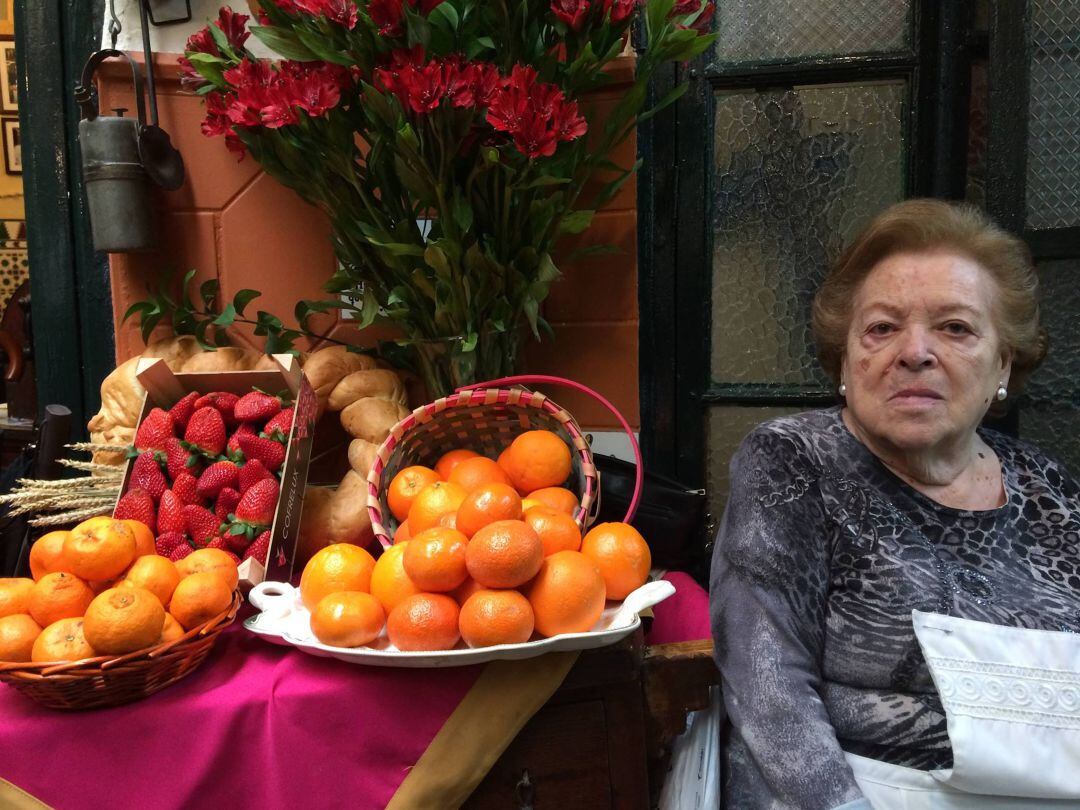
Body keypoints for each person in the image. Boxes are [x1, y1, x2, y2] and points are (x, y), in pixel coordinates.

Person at [711, 199, 1080, 809]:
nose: (915, 352)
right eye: (882, 328)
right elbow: (769, 694)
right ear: (847, 361)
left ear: (1002, 365)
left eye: (955, 328)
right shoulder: (795, 462)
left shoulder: (1051, 490)